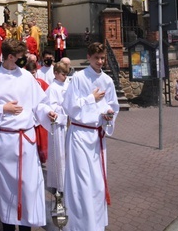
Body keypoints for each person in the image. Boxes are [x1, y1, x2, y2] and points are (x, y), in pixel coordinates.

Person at [0, 39, 57, 231]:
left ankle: (26, 226)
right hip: (4, 141)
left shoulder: (27, 77)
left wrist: (48, 113)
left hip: (26, 140)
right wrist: (2, 108)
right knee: (7, 189)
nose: (24, 61)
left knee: (28, 187)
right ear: (10, 57)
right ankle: (8, 227)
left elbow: (39, 104)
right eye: (20, 58)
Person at [62, 42, 119, 231]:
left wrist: (109, 115)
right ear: (89, 57)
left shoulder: (108, 80)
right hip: (79, 134)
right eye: (97, 58)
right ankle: (80, 225)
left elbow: (113, 105)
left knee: (97, 183)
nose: (101, 62)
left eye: (102, 58)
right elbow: (68, 106)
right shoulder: (78, 78)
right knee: (81, 182)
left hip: (97, 136)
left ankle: (96, 223)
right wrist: (90, 99)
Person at [46, 61, 69, 194]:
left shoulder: (68, 84)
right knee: (58, 155)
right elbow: (51, 106)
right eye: (62, 74)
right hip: (58, 125)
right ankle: (59, 183)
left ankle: (68, 180)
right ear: (55, 73)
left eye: (66, 74)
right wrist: (65, 107)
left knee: (67, 154)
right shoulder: (52, 88)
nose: (65, 76)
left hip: (68, 123)